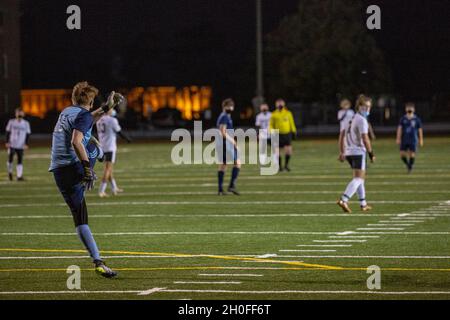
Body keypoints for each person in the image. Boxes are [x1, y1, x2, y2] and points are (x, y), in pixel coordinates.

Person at [49, 81, 123, 278]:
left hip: (58, 170)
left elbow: (87, 118)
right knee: (96, 147)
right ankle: (96, 154)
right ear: (90, 102)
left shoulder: (67, 112)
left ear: (74, 99)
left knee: (80, 217)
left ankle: (98, 261)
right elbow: (76, 140)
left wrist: (106, 107)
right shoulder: (82, 115)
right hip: (74, 166)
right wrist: (87, 168)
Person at [337, 94, 375, 213]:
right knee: (359, 178)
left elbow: (341, 135)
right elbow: (365, 138)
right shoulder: (362, 120)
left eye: (369, 107)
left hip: (349, 152)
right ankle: (344, 199)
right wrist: (371, 153)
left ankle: (363, 204)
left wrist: (342, 151)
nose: (367, 109)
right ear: (359, 106)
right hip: (358, 152)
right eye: (365, 106)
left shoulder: (351, 117)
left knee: (359, 178)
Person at [96, 108, 131, 197]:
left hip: (102, 146)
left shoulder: (99, 120)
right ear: (107, 110)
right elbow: (119, 132)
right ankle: (101, 190)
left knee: (109, 168)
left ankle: (114, 187)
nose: (113, 110)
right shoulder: (112, 120)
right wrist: (127, 139)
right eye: (111, 109)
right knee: (108, 168)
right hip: (110, 147)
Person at [217, 98, 241, 195]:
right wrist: (233, 141)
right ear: (224, 107)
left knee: (223, 165)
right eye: (229, 106)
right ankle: (231, 186)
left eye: (232, 106)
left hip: (223, 143)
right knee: (237, 163)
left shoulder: (225, 116)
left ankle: (220, 190)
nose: (231, 108)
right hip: (225, 143)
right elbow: (222, 132)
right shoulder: (224, 116)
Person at [269, 98, 297, 172]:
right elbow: (271, 125)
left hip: (287, 134)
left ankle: (286, 165)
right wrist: (271, 132)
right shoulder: (274, 114)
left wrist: (294, 131)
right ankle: (279, 167)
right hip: (277, 134)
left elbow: (292, 123)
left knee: (288, 151)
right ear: (276, 105)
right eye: (278, 103)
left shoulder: (288, 113)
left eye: (281, 103)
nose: (280, 104)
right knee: (277, 152)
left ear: (284, 104)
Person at [396, 103, 424, 173]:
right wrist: (398, 138)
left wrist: (421, 139)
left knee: (412, 154)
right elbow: (399, 129)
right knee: (402, 154)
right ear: (406, 109)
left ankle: (410, 167)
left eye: (411, 108)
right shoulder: (403, 119)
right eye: (408, 108)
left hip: (413, 140)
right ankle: (408, 164)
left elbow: (420, 130)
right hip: (404, 139)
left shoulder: (417, 119)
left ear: (414, 109)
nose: (409, 110)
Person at [5, 109, 31, 181]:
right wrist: (7, 142)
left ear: (23, 114)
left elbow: (28, 134)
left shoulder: (26, 123)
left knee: (20, 160)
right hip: (12, 144)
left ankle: (19, 176)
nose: (19, 115)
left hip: (20, 145)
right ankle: (10, 173)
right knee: (10, 159)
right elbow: (7, 132)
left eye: (21, 113)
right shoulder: (11, 122)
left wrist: (26, 144)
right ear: (15, 114)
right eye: (18, 113)